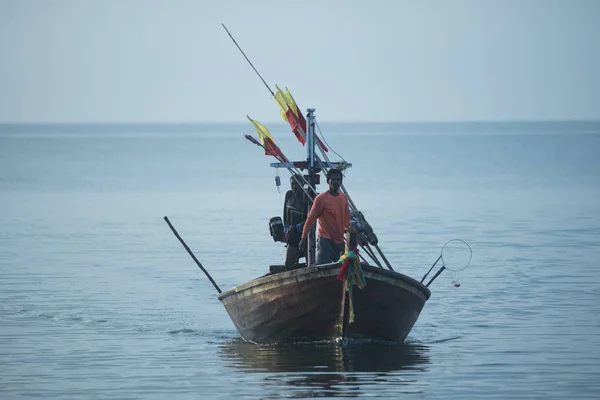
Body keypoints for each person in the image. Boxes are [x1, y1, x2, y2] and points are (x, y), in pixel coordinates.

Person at [299, 168, 350, 265]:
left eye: (338, 180)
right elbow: (311, 219)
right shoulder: (321, 199)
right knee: (322, 267)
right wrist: (303, 237)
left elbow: (347, 220)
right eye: (333, 179)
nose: (336, 182)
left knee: (343, 268)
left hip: (339, 240)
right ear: (328, 181)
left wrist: (349, 237)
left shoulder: (344, 198)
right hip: (325, 239)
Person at [283, 175, 309, 270]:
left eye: (297, 184)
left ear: (302, 184)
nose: (294, 186)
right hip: (292, 233)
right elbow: (285, 214)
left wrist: (299, 227)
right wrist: (286, 229)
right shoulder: (289, 195)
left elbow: (311, 217)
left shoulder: (307, 196)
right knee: (288, 263)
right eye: (292, 184)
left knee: (310, 262)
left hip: (305, 234)